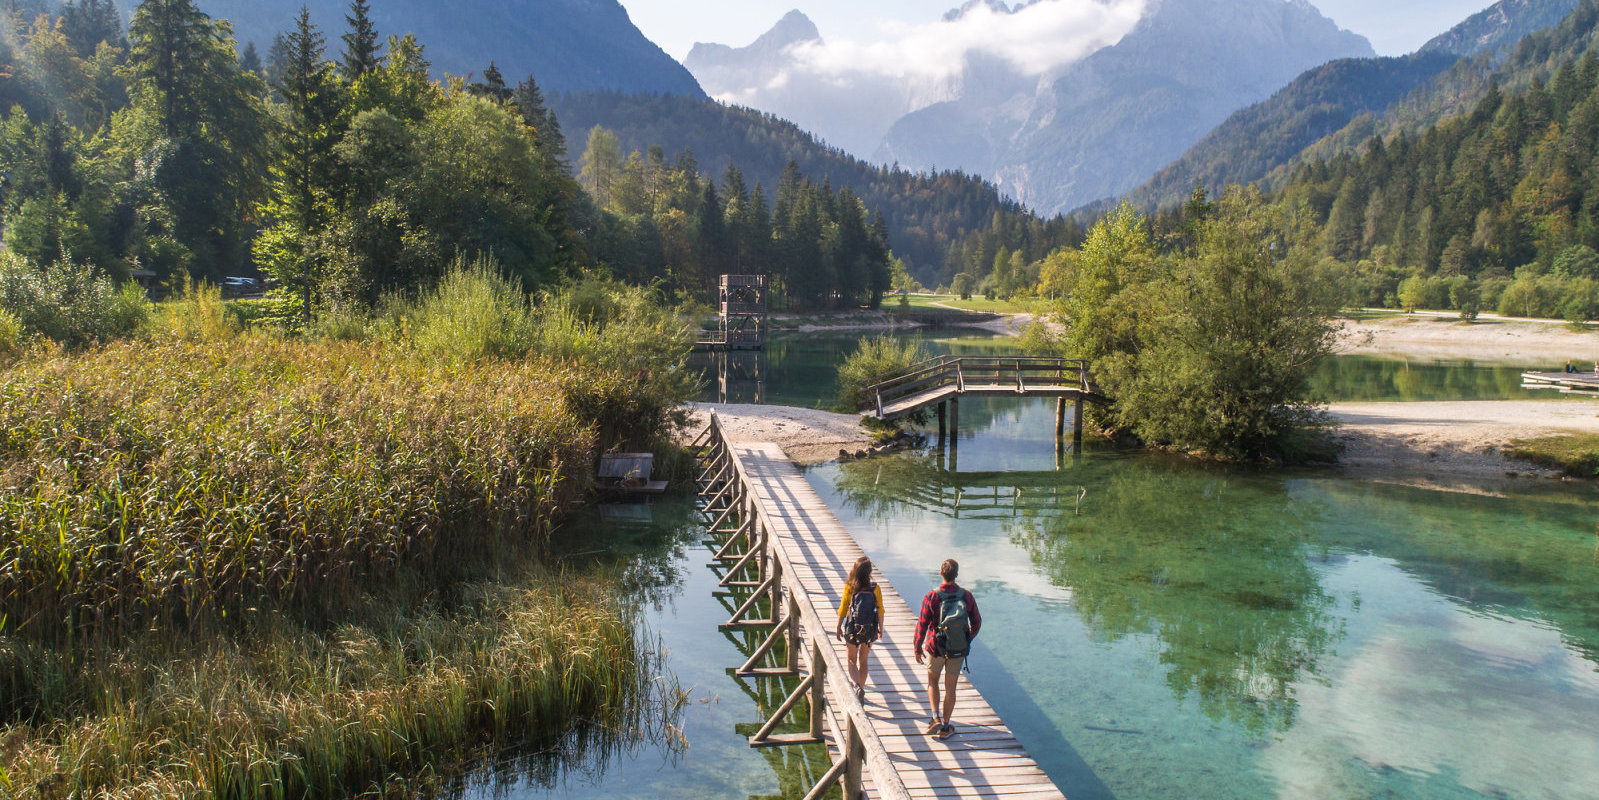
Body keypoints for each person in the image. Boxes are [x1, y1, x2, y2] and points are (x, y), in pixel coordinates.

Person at [912, 558, 980, 740]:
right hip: (957, 650)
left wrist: (917, 647)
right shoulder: (966, 596)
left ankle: (935, 718)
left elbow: (922, 625)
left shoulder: (932, 596)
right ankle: (946, 727)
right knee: (951, 688)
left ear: (941, 573)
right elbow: (977, 622)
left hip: (936, 647)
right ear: (956, 575)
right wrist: (967, 639)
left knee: (932, 682)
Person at [836, 555, 884, 704]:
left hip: (852, 628)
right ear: (869, 572)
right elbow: (880, 610)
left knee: (851, 660)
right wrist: (880, 628)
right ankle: (861, 690)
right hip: (869, 629)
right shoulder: (875, 588)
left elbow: (843, 609)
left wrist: (838, 626)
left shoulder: (850, 587)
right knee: (864, 661)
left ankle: (857, 687)